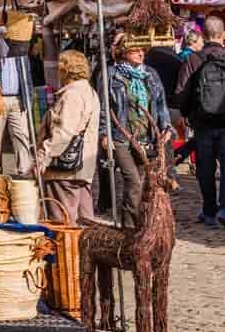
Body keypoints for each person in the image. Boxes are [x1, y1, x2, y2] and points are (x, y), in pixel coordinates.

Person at [176, 17, 225, 230]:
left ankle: (209, 209)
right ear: (223, 36)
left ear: (203, 36)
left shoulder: (193, 60)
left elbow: (182, 93)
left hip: (202, 123)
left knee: (205, 168)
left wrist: (188, 114)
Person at [102, 39, 171, 226]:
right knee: (132, 180)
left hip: (145, 137)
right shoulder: (111, 75)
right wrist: (104, 133)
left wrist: (165, 126)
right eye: (135, 50)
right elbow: (104, 105)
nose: (141, 54)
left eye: (142, 50)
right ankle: (130, 227)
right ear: (124, 52)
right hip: (121, 135)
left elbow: (159, 102)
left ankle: (138, 223)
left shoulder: (150, 74)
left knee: (142, 182)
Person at [37, 50, 101, 223]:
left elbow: (63, 133)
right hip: (82, 166)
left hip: (65, 169)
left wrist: (44, 157)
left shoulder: (72, 95)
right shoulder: (89, 91)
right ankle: (84, 250)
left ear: (65, 70)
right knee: (84, 220)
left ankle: (70, 250)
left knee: (63, 221)